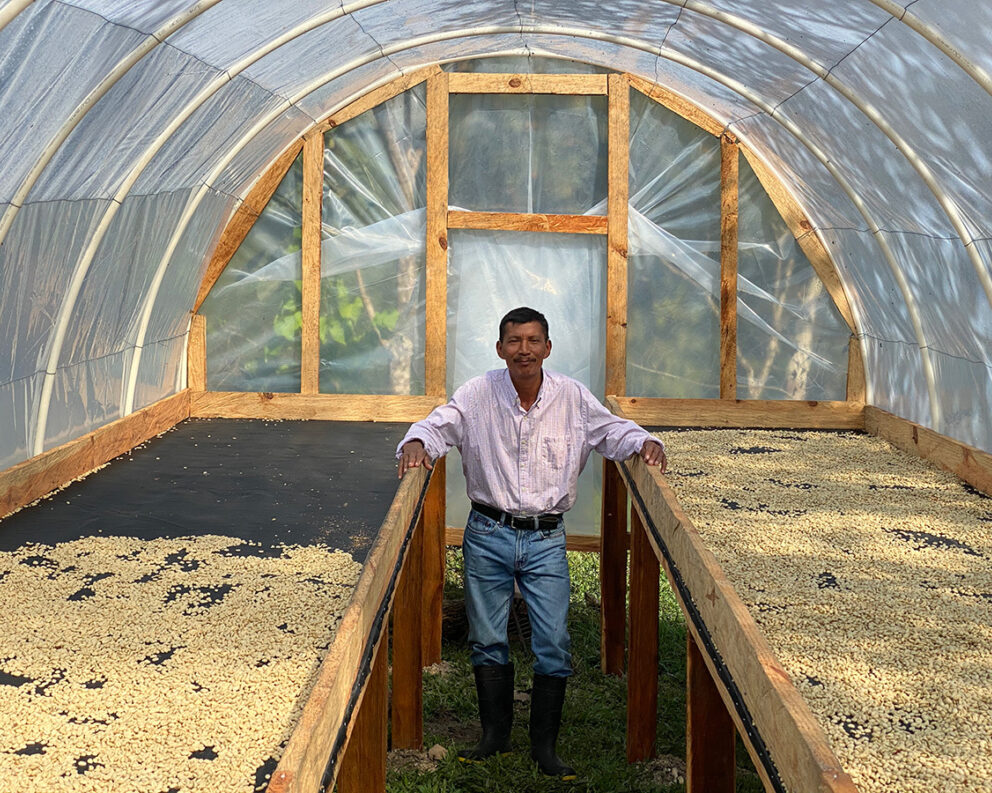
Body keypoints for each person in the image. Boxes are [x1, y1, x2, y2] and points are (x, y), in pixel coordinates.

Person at [396, 306, 666, 780]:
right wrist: (416, 443)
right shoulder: (478, 393)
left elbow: (612, 430)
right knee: (486, 638)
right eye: (514, 341)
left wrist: (643, 441)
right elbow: (439, 424)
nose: (524, 350)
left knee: (553, 642)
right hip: (487, 533)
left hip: (545, 538)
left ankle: (546, 748)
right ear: (500, 349)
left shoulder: (572, 398)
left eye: (533, 340)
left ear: (547, 348)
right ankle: (493, 738)